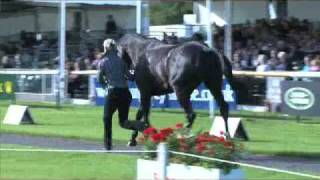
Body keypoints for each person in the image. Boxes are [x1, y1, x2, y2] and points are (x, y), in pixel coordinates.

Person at [98, 38, 146, 150]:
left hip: (113, 92)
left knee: (107, 118)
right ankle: (140, 125)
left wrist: (106, 87)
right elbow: (131, 77)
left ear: (105, 49)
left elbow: (100, 79)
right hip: (125, 93)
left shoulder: (103, 62)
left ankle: (108, 145)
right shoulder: (122, 61)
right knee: (123, 121)